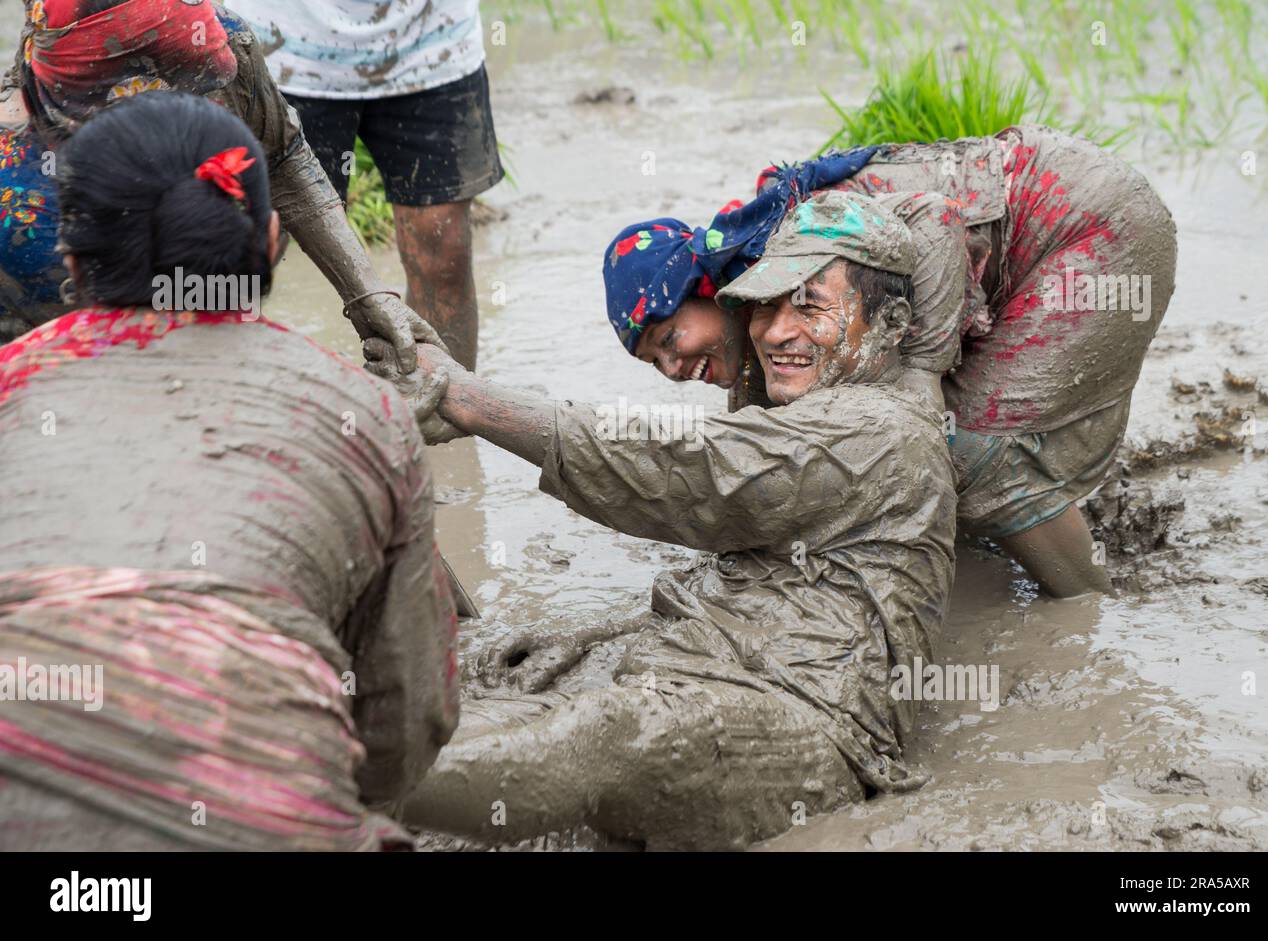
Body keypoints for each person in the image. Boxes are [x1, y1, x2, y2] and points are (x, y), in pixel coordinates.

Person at [366, 191, 956, 850]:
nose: (776, 329)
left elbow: (694, 470)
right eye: (766, 303)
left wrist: (465, 395)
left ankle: (285, 781)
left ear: (893, 321)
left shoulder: (883, 427)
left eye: (809, 304)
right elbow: (738, 570)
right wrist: (600, 634)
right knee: (483, 665)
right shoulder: (802, 409)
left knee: (616, 733)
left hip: (815, 724)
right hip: (702, 668)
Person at [0, 92, 458, 850]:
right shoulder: (366, 413)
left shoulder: (13, 382)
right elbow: (409, 719)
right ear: (272, 238)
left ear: (73, 261)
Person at [609, 126, 1178, 598]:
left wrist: (925, 374)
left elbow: (934, 217)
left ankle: (1088, 605)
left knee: (966, 443)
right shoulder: (758, 298)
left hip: (1085, 225)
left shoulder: (792, 235)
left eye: (669, 337)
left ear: (708, 289)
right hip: (1024, 233)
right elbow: (754, 442)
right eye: (652, 361)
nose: (672, 367)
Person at [0, 0, 436, 374]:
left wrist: (367, 294)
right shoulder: (13, 169)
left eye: (181, 80)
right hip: (47, 364)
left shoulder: (219, 39)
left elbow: (282, 155)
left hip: (209, 328)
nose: (163, 104)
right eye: (133, 89)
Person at [223, 0, 504, 370]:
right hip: (280, 45)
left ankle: (449, 415)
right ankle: (208, 396)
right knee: (244, 250)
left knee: (443, 251)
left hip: (432, 44)